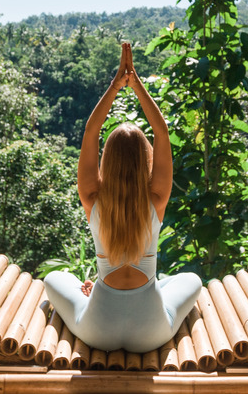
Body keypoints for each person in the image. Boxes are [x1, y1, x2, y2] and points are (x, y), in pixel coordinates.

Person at [43, 43, 202, 353]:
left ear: (108, 161)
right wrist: (135, 83)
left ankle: (97, 289)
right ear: (146, 160)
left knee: (53, 279)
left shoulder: (92, 198)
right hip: (152, 332)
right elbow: (162, 131)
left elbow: (91, 131)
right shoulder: (157, 198)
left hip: (97, 330)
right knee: (192, 279)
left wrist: (115, 85)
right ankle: (157, 282)